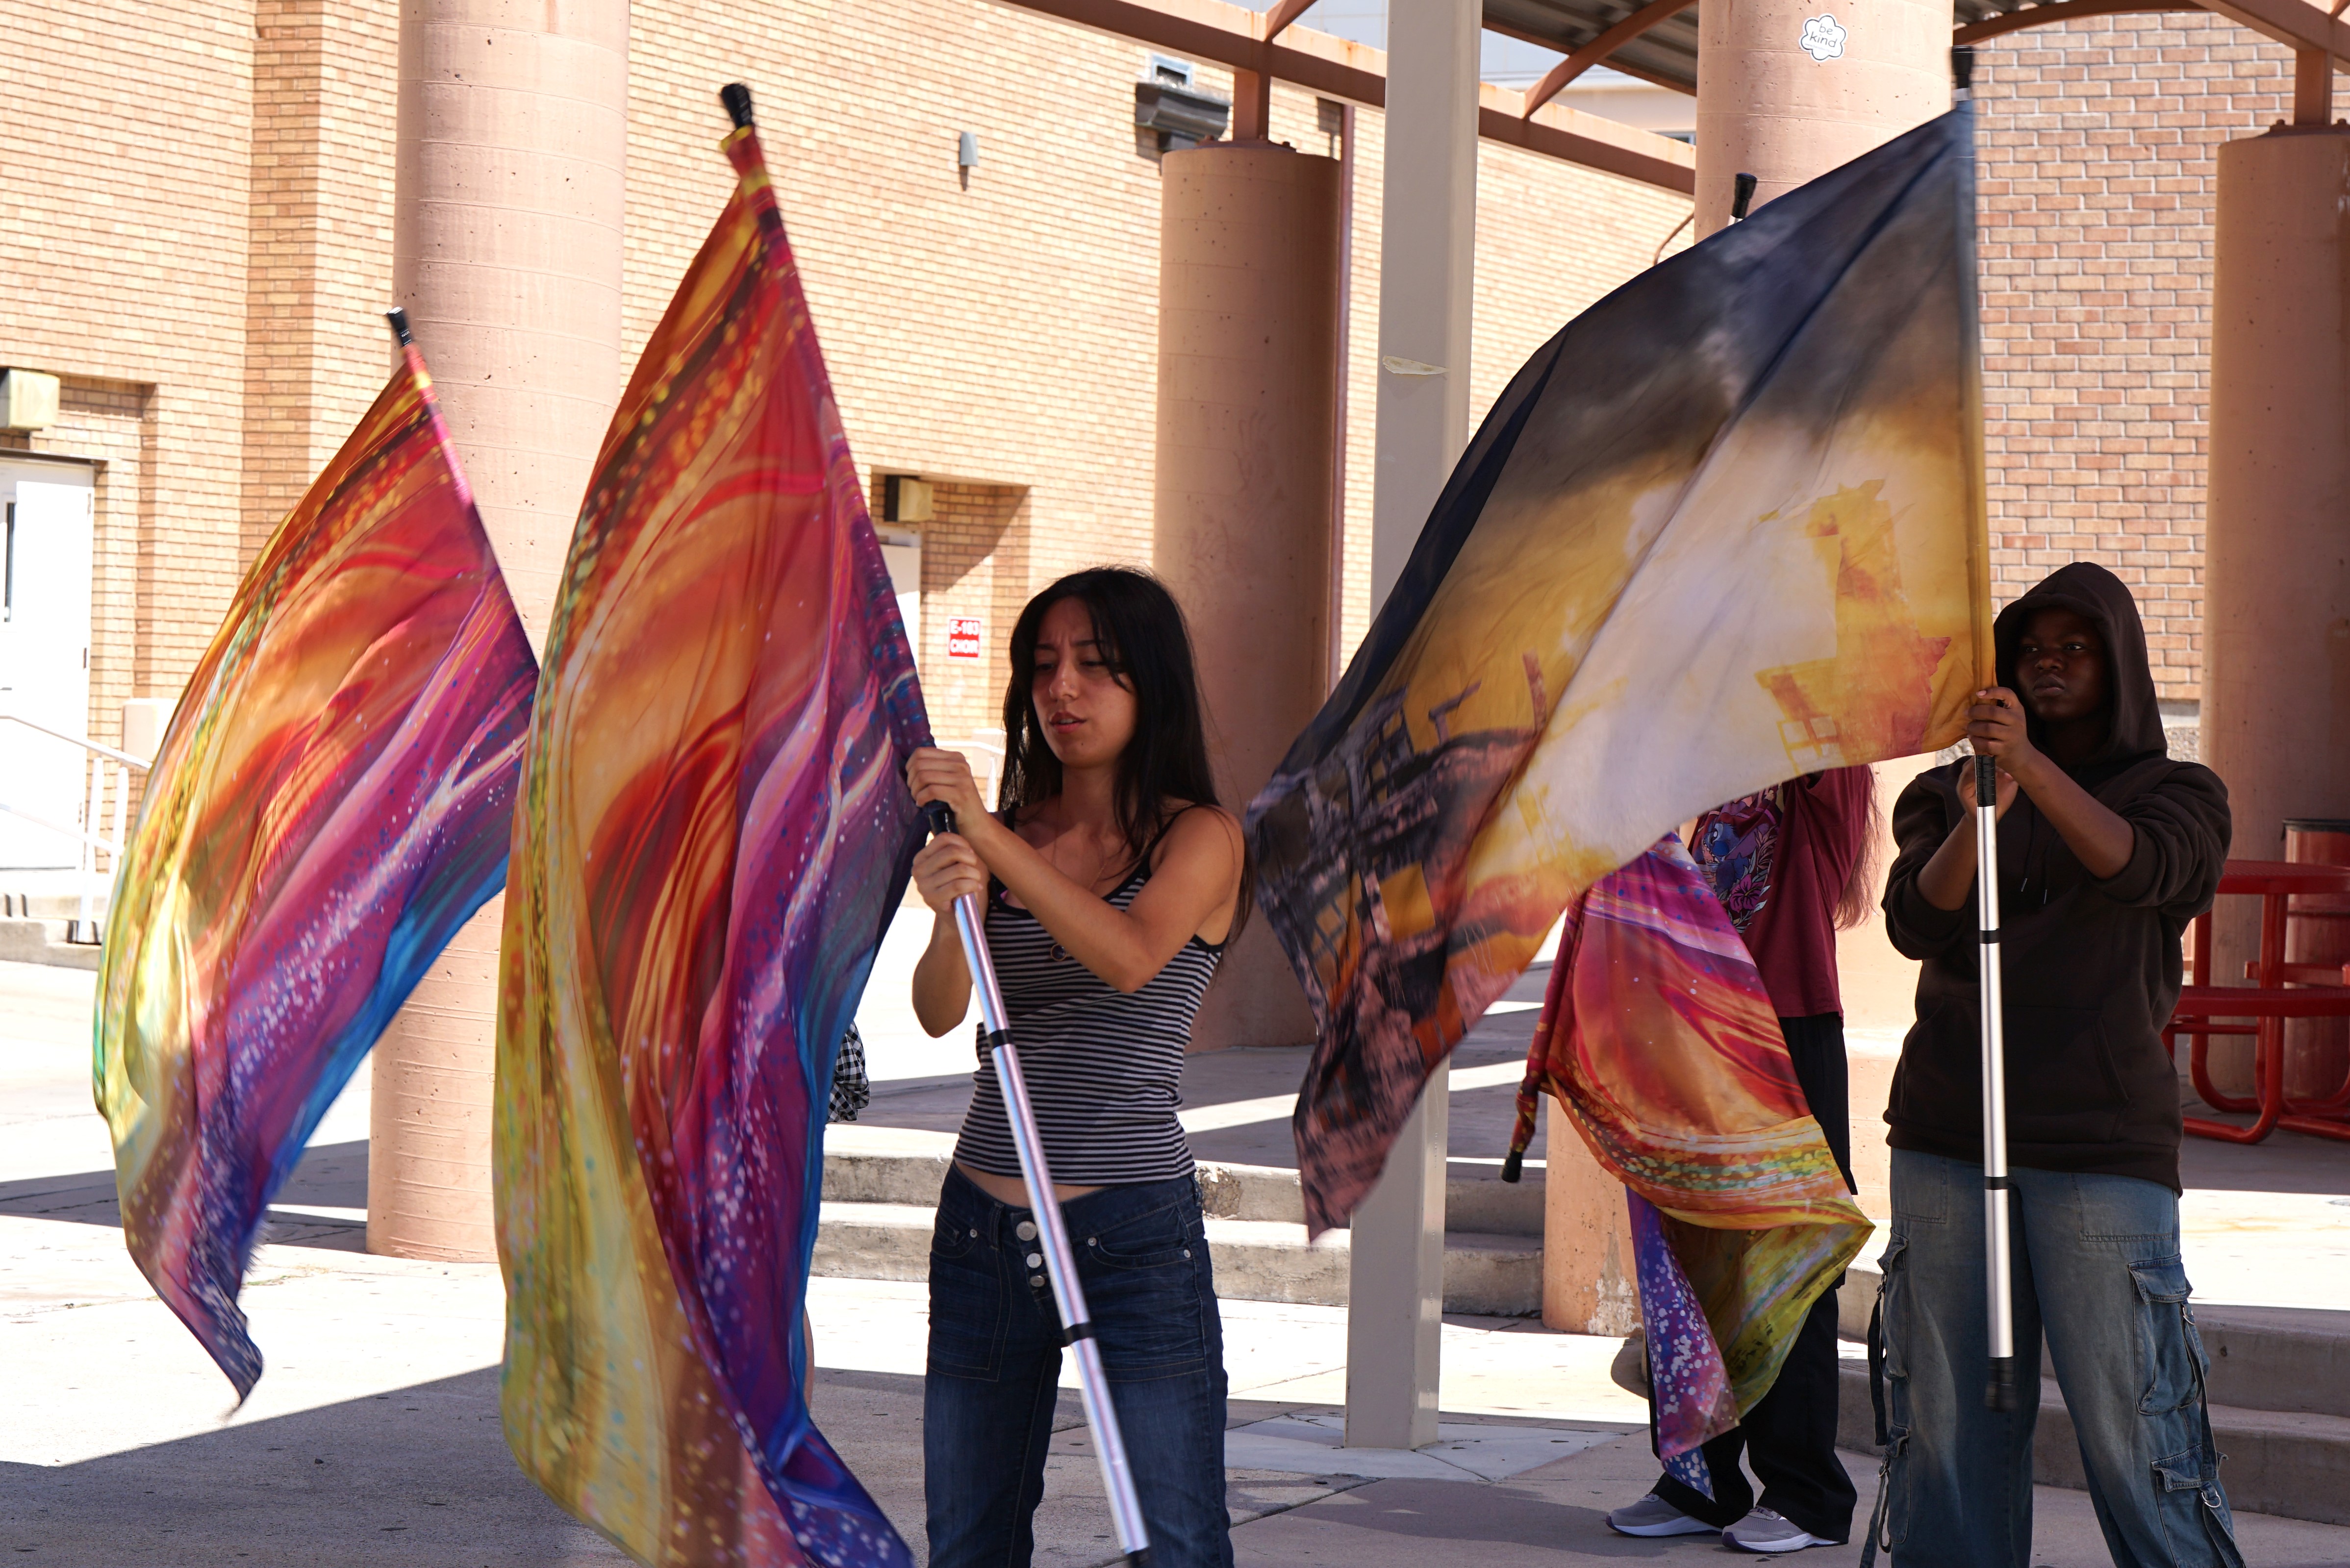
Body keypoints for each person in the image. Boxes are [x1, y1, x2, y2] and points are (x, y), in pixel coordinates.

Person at [1873, 561, 2237, 1567]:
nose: (2049, 664)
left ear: (2117, 662)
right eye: (2032, 649)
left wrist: (2032, 772)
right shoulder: (1944, 795)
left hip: (2096, 1153)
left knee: (2139, 1437)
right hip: (1950, 1138)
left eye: (2074, 647)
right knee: (1950, 1441)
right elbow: (1914, 920)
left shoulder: (2179, 791)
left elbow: (2148, 871)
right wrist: (1980, 810)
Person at [904, 567, 1245, 1568]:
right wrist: (945, 919)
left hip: (1132, 1236)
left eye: (1097, 667)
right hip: (981, 1230)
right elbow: (937, 1014)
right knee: (968, 1542)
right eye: (1045, 666)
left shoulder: (1201, 837)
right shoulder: (1013, 830)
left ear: (1153, 686)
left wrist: (991, 839)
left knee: (1175, 1542)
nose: (1064, 691)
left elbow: (1133, 957)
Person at [1605, 766, 1878, 1554]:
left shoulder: (1827, 770)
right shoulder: (1722, 772)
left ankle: (1805, 1493)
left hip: (1784, 1030)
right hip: (1697, 1028)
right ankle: (1701, 1482)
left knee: (1786, 1258)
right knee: (1690, 1250)